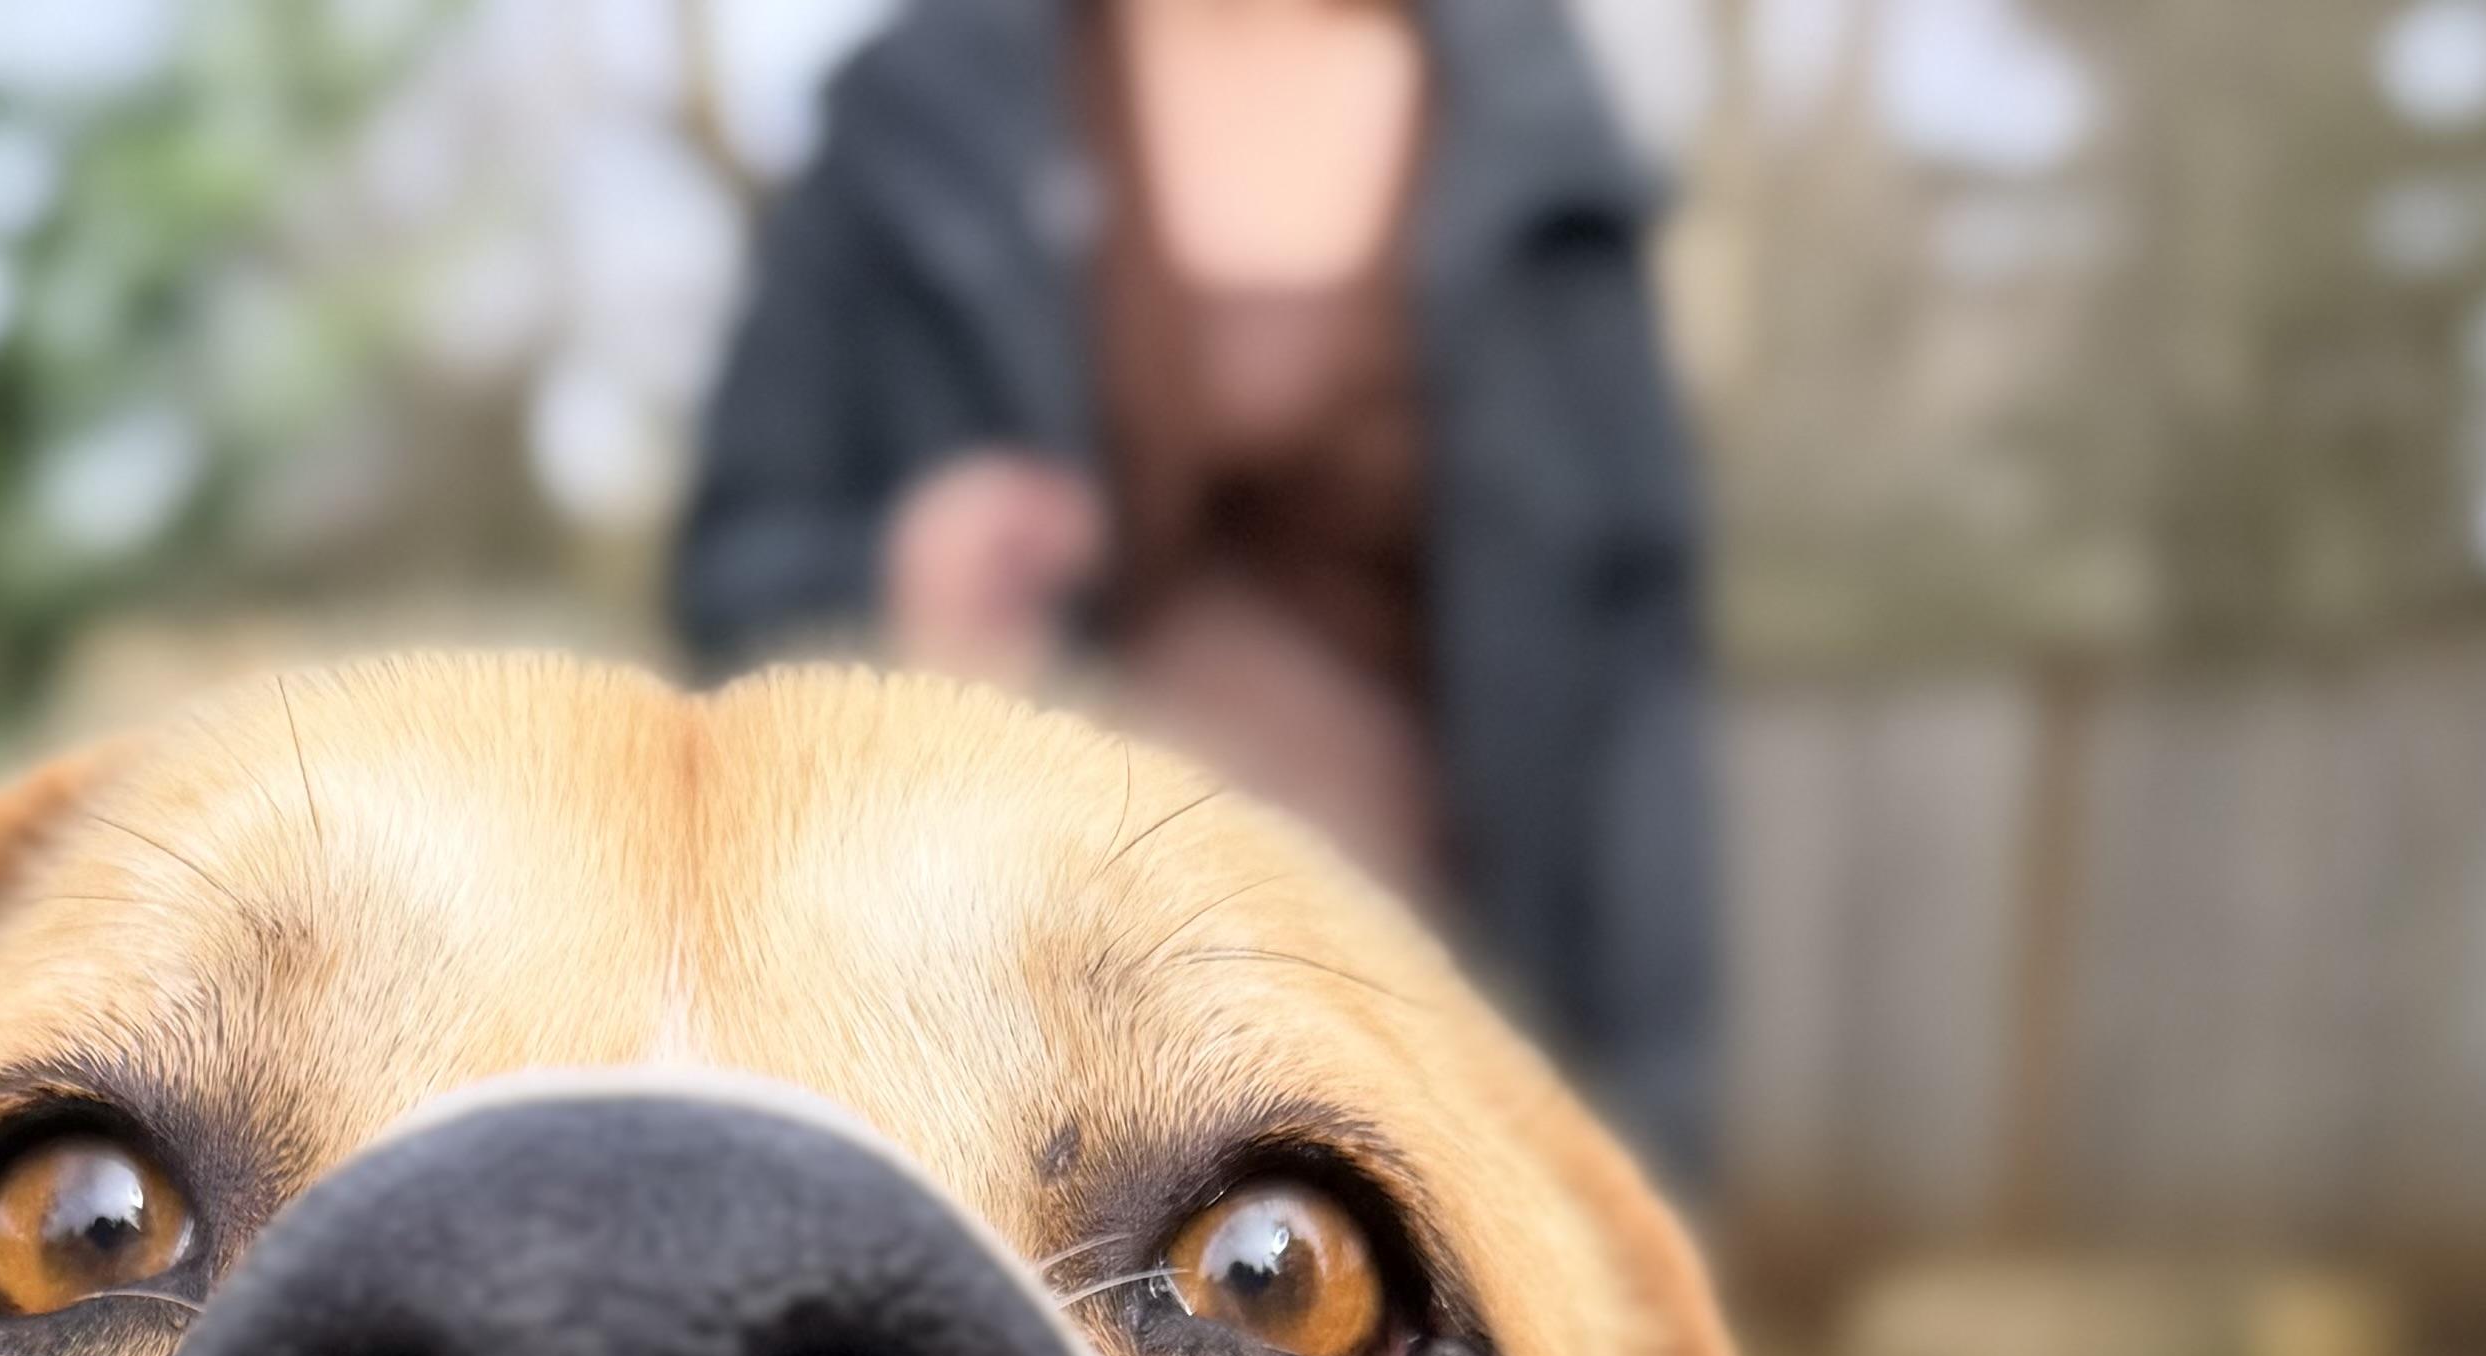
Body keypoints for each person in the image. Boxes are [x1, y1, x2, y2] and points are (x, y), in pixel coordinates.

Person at [673, 0, 1719, 1187]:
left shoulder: (1542, 125)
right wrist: (888, 587)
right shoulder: (919, 105)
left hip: (1436, 1041)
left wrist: (1656, 1134)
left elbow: (1638, 685)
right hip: (972, 1045)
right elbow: (733, 569)